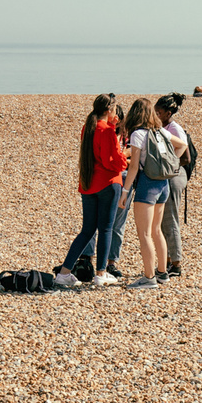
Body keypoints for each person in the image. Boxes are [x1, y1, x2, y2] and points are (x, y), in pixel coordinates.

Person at [56, 94, 127, 288]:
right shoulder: (106, 131)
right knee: (105, 228)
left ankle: (65, 272)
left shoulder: (88, 127)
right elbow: (113, 162)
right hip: (107, 183)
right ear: (109, 110)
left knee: (87, 229)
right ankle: (101, 273)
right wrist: (124, 154)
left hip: (88, 183)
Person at [117, 98, 174, 290]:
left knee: (144, 233)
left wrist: (125, 192)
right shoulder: (161, 132)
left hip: (147, 185)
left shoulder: (138, 135)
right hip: (163, 183)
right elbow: (181, 145)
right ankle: (162, 272)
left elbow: (133, 167)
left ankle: (149, 278)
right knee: (157, 230)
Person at [155, 93, 195, 278]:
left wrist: (168, 165)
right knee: (163, 221)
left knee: (170, 219)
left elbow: (186, 158)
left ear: (168, 113)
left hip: (175, 176)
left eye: (159, 112)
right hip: (167, 174)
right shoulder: (162, 126)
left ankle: (176, 264)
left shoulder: (175, 129)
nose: (155, 114)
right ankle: (168, 261)